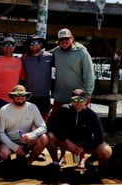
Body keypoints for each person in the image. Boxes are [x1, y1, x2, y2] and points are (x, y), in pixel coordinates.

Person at [49, 28, 95, 165]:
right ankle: (61, 156)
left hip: (79, 99)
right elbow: (42, 55)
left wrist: (88, 94)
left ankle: (81, 158)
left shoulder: (82, 52)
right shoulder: (55, 52)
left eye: (66, 39)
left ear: (72, 38)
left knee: (83, 129)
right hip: (60, 96)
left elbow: (89, 75)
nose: (64, 42)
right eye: (61, 40)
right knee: (57, 128)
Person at [47, 88, 112, 169]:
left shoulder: (92, 115)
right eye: (75, 100)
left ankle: (91, 162)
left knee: (106, 151)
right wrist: (67, 140)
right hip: (67, 142)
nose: (77, 103)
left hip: (84, 143)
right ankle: (55, 162)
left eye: (81, 100)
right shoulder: (64, 109)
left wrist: (83, 148)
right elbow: (52, 126)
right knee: (49, 136)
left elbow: (100, 137)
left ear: (86, 101)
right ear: (71, 100)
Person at [0, 85, 48, 166]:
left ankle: (28, 163)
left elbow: (43, 127)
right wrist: (15, 147)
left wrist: (30, 135)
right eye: (17, 95)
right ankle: (8, 166)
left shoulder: (32, 107)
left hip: (27, 141)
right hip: (10, 142)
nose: (19, 97)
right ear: (12, 96)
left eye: (22, 95)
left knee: (44, 139)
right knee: (4, 153)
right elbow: (0, 133)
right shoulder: (4, 110)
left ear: (26, 96)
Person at [20, 35, 54, 121]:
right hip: (29, 96)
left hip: (44, 96)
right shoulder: (24, 58)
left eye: (37, 43)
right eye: (31, 43)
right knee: (27, 121)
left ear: (41, 44)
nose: (34, 45)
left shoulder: (50, 57)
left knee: (43, 122)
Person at [0, 36, 23, 111]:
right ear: (2, 47)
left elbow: (22, 80)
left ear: (14, 47)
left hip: (14, 99)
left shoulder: (20, 62)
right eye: (6, 45)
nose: (8, 47)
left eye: (11, 45)